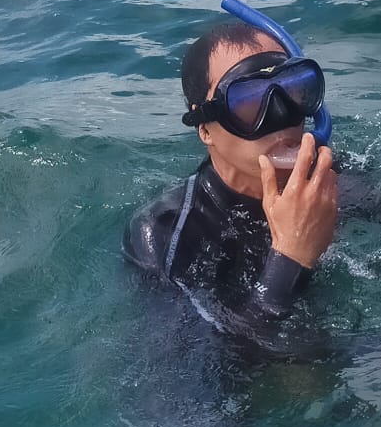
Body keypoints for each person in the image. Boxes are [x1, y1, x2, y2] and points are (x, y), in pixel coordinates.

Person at [124, 20, 339, 331]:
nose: (281, 115)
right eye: (248, 101)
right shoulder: (166, 236)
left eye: (293, 88)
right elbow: (205, 358)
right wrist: (292, 257)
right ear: (205, 129)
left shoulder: (332, 182)